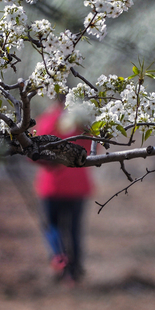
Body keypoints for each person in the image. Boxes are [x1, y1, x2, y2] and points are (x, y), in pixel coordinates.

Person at [33, 102, 94, 283]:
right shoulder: (83, 121)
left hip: (52, 186)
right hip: (78, 185)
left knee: (53, 227)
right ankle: (74, 269)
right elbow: (93, 149)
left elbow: (35, 153)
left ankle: (60, 261)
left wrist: (52, 163)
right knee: (74, 229)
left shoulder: (48, 120)